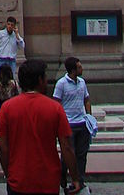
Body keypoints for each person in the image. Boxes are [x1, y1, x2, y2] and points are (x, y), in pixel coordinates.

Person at [0, 59, 82, 195]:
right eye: (45, 77)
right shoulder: (55, 108)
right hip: (47, 180)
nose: (47, 81)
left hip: (18, 180)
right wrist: (75, 177)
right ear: (40, 80)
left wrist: (8, 173)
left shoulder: (7, 108)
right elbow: (66, 146)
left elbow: (2, 145)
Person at [53, 58, 92, 191]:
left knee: (81, 154)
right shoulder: (61, 84)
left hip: (82, 123)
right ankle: (62, 175)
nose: (82, 69)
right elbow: (56, 103)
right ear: (73, 70)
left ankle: (80, 181)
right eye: (80, 67)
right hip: (68, 124)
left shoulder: (82, 83)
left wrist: (89, 116)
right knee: (67, 155)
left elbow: (87, 99)